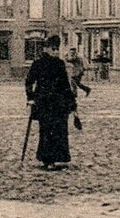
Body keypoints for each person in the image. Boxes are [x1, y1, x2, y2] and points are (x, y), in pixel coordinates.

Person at [24, 34, 80, 170]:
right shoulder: (38, 64)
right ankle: (46, 159)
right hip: (44, 103)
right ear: (46, 49)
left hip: (59, 104)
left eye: (57, 49)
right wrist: (30, 98)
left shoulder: (60, 64)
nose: (55, 51)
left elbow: (65, 85)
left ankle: (58, 157)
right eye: (53, 49)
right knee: (46, 130)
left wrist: (72, 103)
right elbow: (29, 82)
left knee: (60, 130)